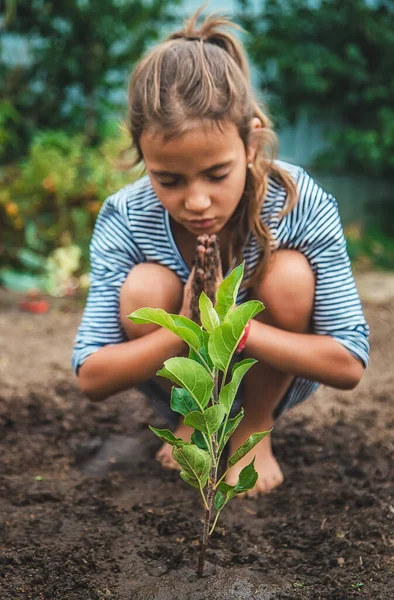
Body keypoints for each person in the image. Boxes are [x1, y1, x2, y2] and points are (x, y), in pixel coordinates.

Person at [72, 9, 369, 496]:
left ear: (251, 140)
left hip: (270, 372)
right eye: (168, 180)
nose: (196, 201)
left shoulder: (300, 203)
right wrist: (186, 323)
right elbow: (92, 374)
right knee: (146, 286)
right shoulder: (126, 215)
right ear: (142, 157)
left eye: (216, 174)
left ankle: (254, 428)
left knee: (288, 275)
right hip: (175, 382)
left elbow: (349, 362)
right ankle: (190, 416)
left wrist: (237, 329)